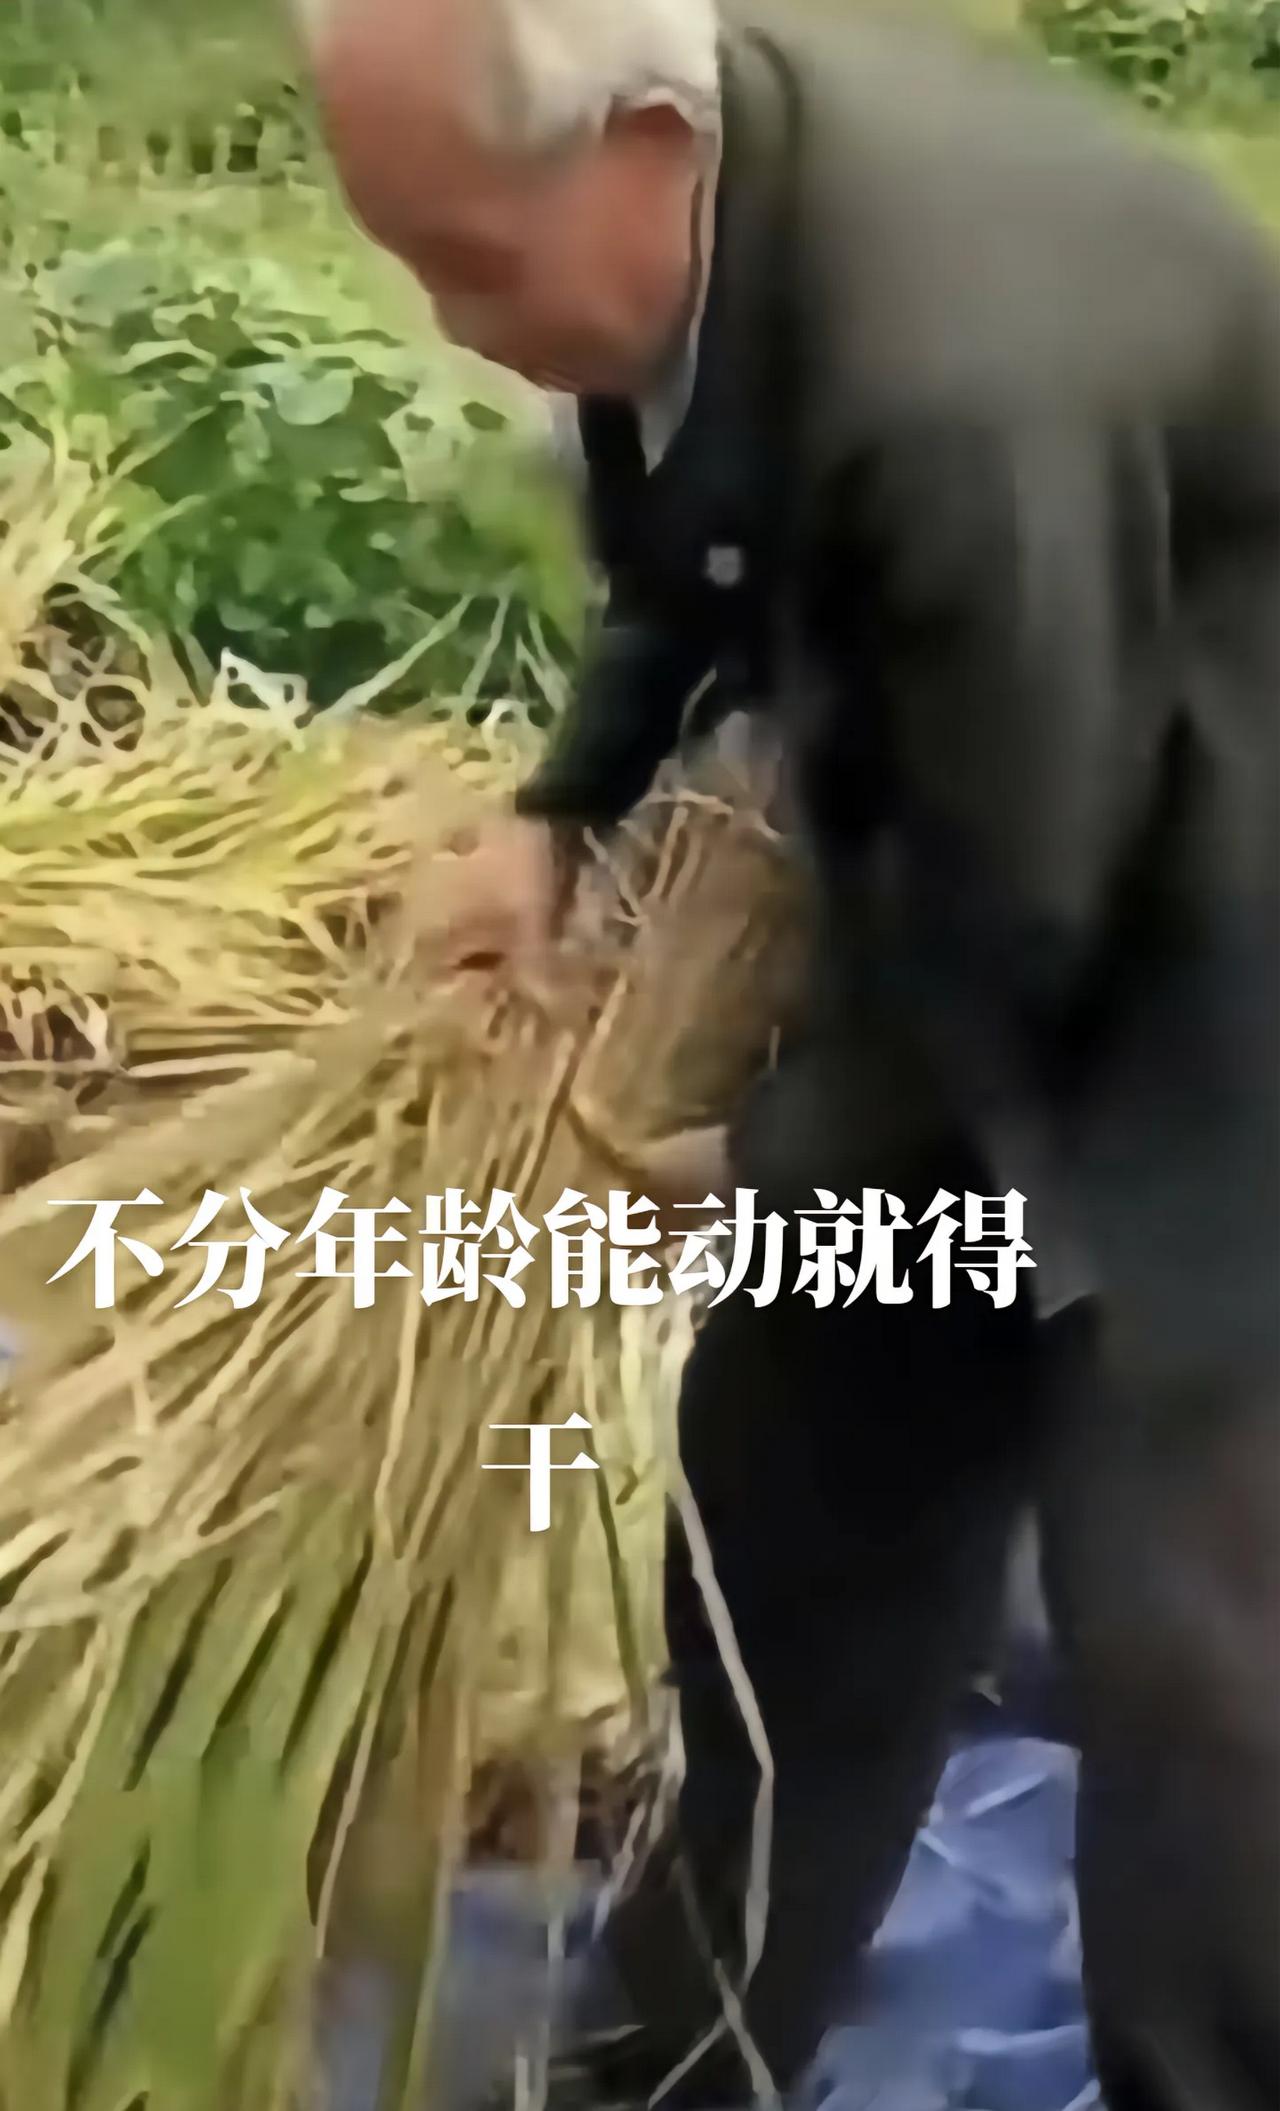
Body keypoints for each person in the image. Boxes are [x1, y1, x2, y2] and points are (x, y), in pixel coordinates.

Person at [296, 1, 1280, 2104]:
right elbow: (691, 525)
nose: (449, 322)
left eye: (473, 261)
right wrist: (561, 808)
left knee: (1185, 1660)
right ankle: (684, 2062)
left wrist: (764, 1157)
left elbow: (1023, 895)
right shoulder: (717, 216)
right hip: (1009, 845)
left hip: (1218, 970)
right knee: (796, 1515)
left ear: (643, 149)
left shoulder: (960, 390)